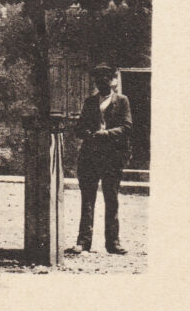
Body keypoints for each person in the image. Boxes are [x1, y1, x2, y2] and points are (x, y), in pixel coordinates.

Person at [67, 63, 133, 255]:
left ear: (112, 80)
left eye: (105, 78)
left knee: (111, 199)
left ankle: (113, 243)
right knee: (87, 200)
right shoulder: (90, 102)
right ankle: (83, 242)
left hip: (113, 158)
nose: (101, 83)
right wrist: (88, 132)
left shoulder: (122, 101)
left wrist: (105, 134)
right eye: (98, 80)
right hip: (90, 157)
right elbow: (79, 128)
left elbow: (127, 127)